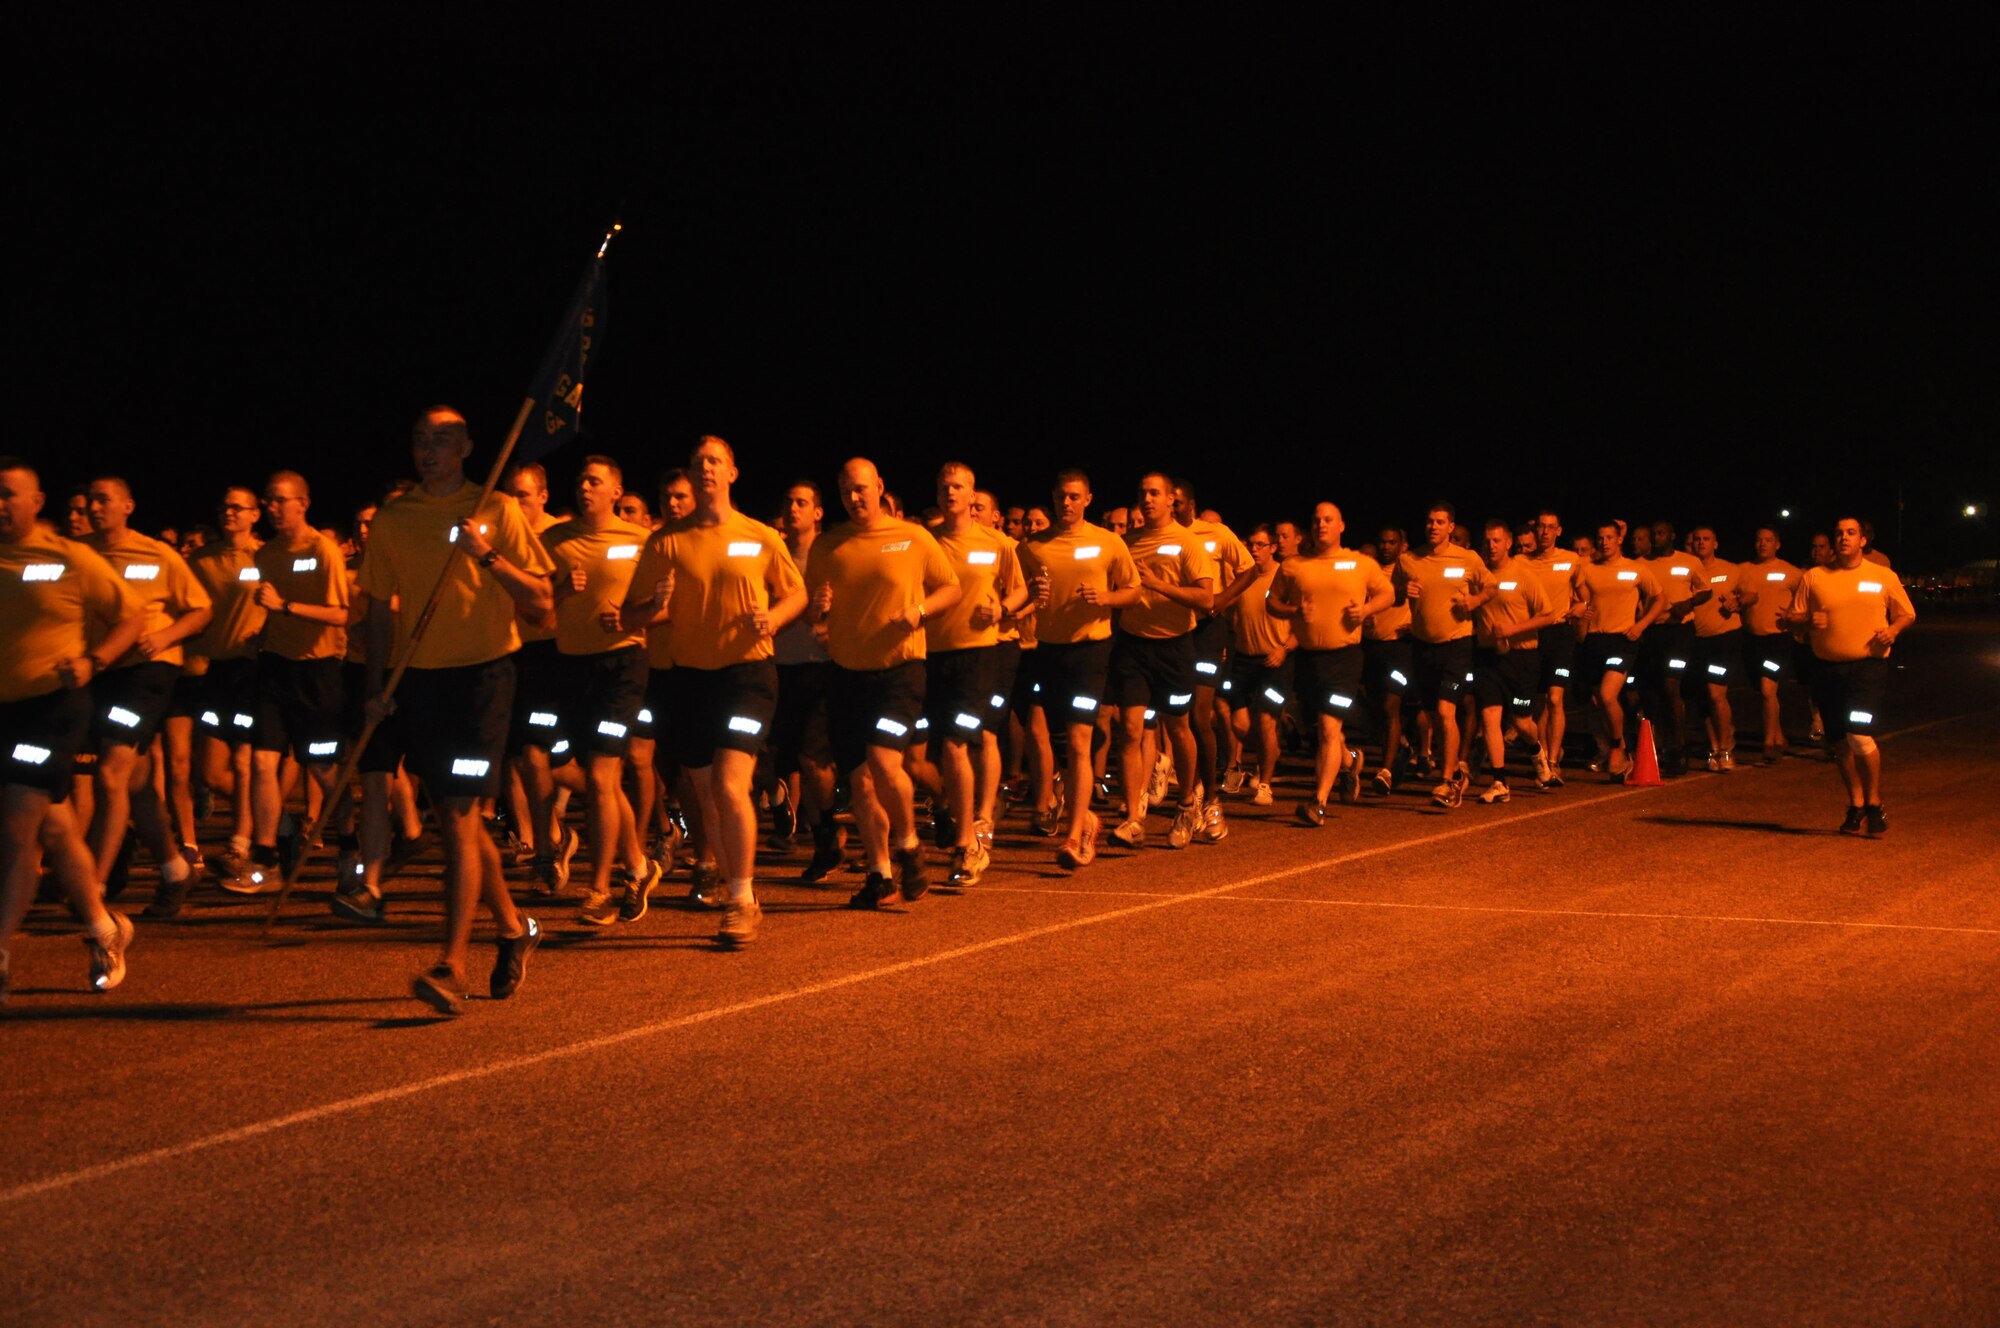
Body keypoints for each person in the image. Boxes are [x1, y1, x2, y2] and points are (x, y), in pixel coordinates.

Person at [355, 406, 553, 1014]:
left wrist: (486, 554)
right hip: (419, 681)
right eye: (419, 439)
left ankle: (451, 963)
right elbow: (379, 611)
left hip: (484, 679)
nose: (429, 448)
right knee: (453, 819)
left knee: (463, 816)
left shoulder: (497, 510)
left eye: (442, 439)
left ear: (467, 446)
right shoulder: (394, 519)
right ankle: (516, 929)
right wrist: (376, 687)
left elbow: (542, 602)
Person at [624, 438, 804, 945]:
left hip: (747, 675)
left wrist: (774, 618)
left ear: (732, 472)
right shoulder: (667, 541)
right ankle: (734, 892)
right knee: (705, 795)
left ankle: (743, 898)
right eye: (698, 461)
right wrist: (652, 605)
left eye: (714, 461)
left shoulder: (761, 536)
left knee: (729, 785)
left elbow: (798, 595)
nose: (705, 468)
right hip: (689, 681)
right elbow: (630, 614)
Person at [1, 458, 145, 999]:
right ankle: (106, 930)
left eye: (7, 494)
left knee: (17, 827)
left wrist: (95, 661)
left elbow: (131, 617)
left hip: (52, 710)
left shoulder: (69, 558)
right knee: (55, 829)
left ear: (37, 501)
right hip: (3, 712)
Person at [806, 458, 961, 906]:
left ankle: (910, 847)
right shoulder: (828, 546)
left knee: (882, 758)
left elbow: (949, 588)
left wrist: (920, 612)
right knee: (859, 779)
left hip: (900, 672)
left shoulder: (912, 538)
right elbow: (816, 614)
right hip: (845, 675)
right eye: (847, 491)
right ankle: (880, 874)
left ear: (879, 487)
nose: (856, 498)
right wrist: (818, 608)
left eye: (862, 489)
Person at [541, 457, 663, 930]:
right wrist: (556, 588)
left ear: (617, 490)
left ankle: (598, 890)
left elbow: (662, 604)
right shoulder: (554, 541)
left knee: (600, 773)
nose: (585, 487)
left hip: (622, 666)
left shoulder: (639, 541)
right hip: (571, 666)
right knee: (595, 778)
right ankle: (638, 866)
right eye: (581, 480)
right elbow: (532, 606)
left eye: (595, 481)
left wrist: (637, 615)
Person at [82, 476, 211, 899]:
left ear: (128, 506)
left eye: (104, 500)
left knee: (110, 770)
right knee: (135, 781)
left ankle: (93, 887)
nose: (95, 507)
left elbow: (201, 608)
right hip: (102, 673)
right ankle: (174, 869)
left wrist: (167, 636)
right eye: (90, 500)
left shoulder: (156, 554)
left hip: (148, 672)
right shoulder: (80, 555)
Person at [231, 471, 349, 895]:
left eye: (281, 501)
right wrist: (258, 636)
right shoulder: (267, 555)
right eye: (268, 502)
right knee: (262, 761)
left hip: (317, 671)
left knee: (321, 767)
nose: (273, 509)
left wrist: (286, 607)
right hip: (275, 669)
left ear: (304, 503)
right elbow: (266, 608)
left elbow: (340, 614)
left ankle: (349, 842)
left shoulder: (324, 550)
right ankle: (265, 859)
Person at [1016, 469, 1138, 869]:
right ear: (1053, 498)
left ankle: (1073, 838)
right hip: (1047, 651)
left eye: (1074, 497)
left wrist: (1105, 597)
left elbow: (1133, 590)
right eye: (1060, 497)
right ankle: (1084, 815)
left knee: (1080, 741)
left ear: (1088, 499)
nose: (1066, 504)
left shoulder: (1107, 543)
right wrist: (1032, 597)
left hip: (1091, 651)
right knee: (1058, 740)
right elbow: (1016, 595)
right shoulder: (1033, 547)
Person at [923, 463, 1027, 887]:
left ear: (971, 496)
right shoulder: (924, 541)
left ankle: (968, 843)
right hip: (929, 657)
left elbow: (1018, 589)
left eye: (959, 487)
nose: (952, 492)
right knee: (918, 753)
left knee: (956, 744)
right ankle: (954, 808)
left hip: (978, 658)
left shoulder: (997, 544)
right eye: (945, 486)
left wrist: (1002, 610)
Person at [1264, 502, 1394, 825]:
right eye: (1317, 520)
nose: (1321, 525)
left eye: (1328, 520)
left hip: (1345, 659)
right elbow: (1272, 602)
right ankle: (1350, 762)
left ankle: (1317, 802)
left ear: (1341, 526)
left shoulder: (1359, 563)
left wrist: (1365, 611)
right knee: (1320, 731)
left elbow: (1388, 594)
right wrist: (1294, 612)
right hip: (1307, 659)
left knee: (1328, 728)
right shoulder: (1294, 566)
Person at [1107, 473, 1216, 850]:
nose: (1147, 499)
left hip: (1174, 647)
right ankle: (1134, 818)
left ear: (1172, 500)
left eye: (1155, 493)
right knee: (1131, 729)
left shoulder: (1187, 543)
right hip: (1134, 647)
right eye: (1143, 493)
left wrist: (1158, 586)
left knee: (1179, 727)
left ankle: (1186, 802)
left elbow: (1206, 601)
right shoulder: (1125, 544)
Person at [1788, 517, 1915, 836]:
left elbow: (1906, 612)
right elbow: (1792, 619)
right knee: (1840, 741)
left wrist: (1892, 631)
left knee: (1859, 734)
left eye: (1851, 533)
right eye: (1839, 533)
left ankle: (1874, 804)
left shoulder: (1881, 575)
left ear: (1863, 540)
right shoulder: (1814, 577)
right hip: (1826, 669)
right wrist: (1805, 623)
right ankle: (1855, 804)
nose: (1844, 538)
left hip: (1866, 669)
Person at [170, 486, 265, 908]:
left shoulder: (265, 556)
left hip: (252, 671)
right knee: (210, 772)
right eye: (224, 506)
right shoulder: (200, 560)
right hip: (213, 671)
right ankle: (272, 815)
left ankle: (240, 843)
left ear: (254, 514)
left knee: (246, 761)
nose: (229, 513)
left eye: (237, 507)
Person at [769, 481, 844, 882]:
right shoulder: (773, 550)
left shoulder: (830, 552)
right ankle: (817, 831)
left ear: (817, 512)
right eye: (789, 501)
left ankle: (827, 836)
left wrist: (831, 616)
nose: (793, 508)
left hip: (821, 666)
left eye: (802, 503)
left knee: (813, 760)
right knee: (776, 759)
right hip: (779, 666)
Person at [1173, 479, 1254, 842]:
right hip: (1172, 632)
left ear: (1190, 504)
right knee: (1173, 718)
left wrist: (1221, 599)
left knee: (1198, 714)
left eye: (1177, 503)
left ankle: (1212, 799)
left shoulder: (1216, 533)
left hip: (1207, 632)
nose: (1171, 509)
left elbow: (1249, 569)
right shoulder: (1159, 538)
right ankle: (1186, 803)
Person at [1396, 502, 1491, 808]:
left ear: (1451, 526)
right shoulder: (1409, 559)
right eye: (1429, 522)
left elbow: (1491, 587)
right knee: (1434, 714)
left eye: (1439, 522)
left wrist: (1474, 602)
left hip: (1456, 645)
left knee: (1446, 709)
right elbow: (1393, 592)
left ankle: (1447, 781)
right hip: (1422, 646)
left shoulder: (1468, 558)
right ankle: (1453, 769)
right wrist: (1403, 593)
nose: (1433, 527)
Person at [1468, 519, 1558, 803]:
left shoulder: (1524, 574)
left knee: (1521, 723)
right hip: (1488, 658)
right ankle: (1499, 781)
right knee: (1489, 716)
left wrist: (1511, 630)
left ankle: (1537, 753)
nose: (1491, 546)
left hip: (1522, 658)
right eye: (1486, 542)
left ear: (1508, 543)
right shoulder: (1478, 575)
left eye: (1496, 541)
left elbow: (1548, 615)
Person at [1574, 520, 1665, 779]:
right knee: (1596, 702)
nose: (1604, 542)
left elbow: (1659, 598)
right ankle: (1618, 748)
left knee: (1606, 694)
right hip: (1594, 640)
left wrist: (1641, 625)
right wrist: (1580, 609)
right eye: (1600, 538)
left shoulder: (1635, 569)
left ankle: (1617, 747)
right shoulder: (1587, 568)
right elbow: (1579, 596)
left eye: (1609, 537)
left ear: (1619, 539)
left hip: (1623, 640)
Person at [1214, 524, 1291, 805]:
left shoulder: (1284, 576)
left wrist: (1284, 648)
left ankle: (1265, 784)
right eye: (1251, 545)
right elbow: (1227, 610)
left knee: (1266, 721)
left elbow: (1302, 621)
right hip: (1244, 659)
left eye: (1261, 545)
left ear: (1273, 547)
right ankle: (1271, 753)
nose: (1254, 550)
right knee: (1239, 723)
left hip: (1274, 661)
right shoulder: (1244, 577)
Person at [1738, 525, 1804, 763]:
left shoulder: (1791, 572)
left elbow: (1808, 597)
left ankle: (1769, 742)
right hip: (1751, 640)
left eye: (1768, 540)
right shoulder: (1743, 570)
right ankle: (1779, 736)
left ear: (1777, 544)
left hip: (1777, 640)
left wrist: (1796, 615)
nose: (1762, 544)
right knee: (1764, 691)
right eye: (1759, 540)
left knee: (1768, 690)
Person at [1685, 526, 1745, 771]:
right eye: (1697, 539)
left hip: (1723, 639)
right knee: (1702, 698)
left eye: (1706, 539)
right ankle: (1714, 748)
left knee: (1716, 693)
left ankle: (1726, 747)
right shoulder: (1687, 569)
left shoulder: (1730, 569)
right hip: (1696, 640)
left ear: (1715, 543)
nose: (1701, 543)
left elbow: (1750, 595)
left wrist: (1738, 602)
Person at [1360, 525, 1413, 794]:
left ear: (1401, 544)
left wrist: (1416, 624)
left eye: (1392, 542)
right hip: (1370, 647)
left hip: (1399, 649)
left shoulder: (1409, 570)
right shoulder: (1367, 570)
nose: (1386, 546)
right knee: (1376, 709)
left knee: (1391, 705)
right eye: (1383, 541)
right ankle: (1399, 748)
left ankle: (1386, 770)